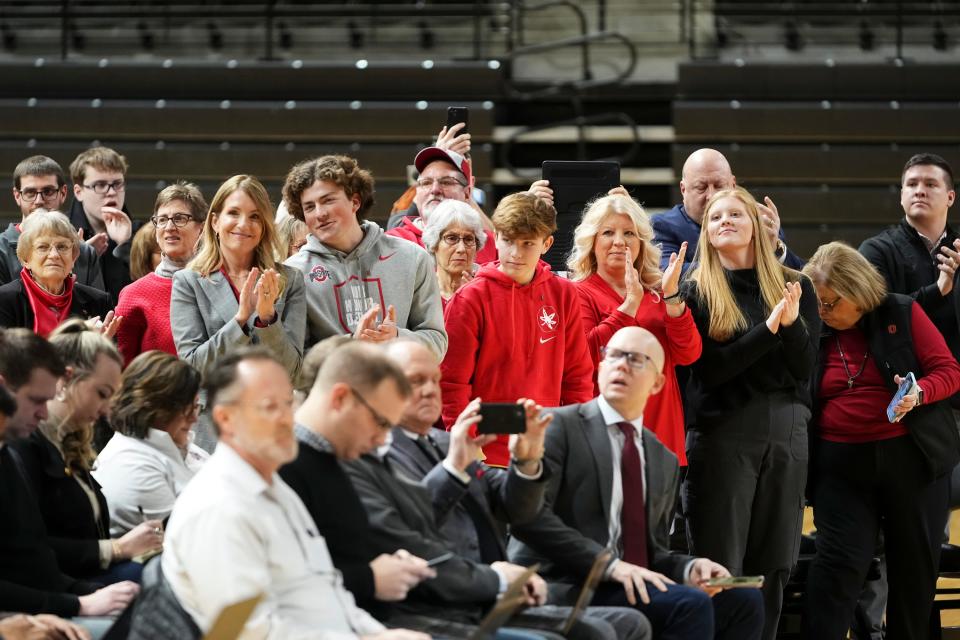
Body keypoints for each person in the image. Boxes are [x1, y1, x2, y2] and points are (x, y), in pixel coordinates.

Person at [508, 326, 764, 640]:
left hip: (630, 583)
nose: (622, 365)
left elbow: (651, 554)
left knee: (744, 600)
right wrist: (609, 566)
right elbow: (529, 520)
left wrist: (689, 568)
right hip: (564, 582)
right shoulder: (557, 426)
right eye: (613, 356)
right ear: (600, 369)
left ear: (658, 383)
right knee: (688, 605)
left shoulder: (663, 458)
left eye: (636, 359)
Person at [161, 347, 427, 639]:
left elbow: (328, 589)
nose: (288, 419)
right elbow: (246, 633)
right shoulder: (220, 506)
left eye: (288, 404)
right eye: (270, 407)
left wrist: (378, 634)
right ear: (226, 419)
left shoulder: (276, 491)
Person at [800, 242, 960, 639]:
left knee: (913, 572)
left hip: (911, 458)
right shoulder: (812, 325)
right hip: (839, 466)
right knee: (838, 565)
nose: (822, 311)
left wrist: (920, 392)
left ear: (857, 291)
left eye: (830, 303)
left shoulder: (901, 311)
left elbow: (949, 370)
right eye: (817, 302)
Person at [680, 187, 819, 640]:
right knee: (723, 564)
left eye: (736, 213)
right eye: (716, 215)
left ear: (756, 224)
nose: (725, 220)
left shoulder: (797, 284)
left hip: (787, 434)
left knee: (774, 560)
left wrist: (792, 323)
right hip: (724, 434)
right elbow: (713, 372)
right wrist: (770, 329)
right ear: (706, 231)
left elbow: (804, 370)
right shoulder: (695, 289)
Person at [0, 329, 139, 631]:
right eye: (36, 400)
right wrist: (79, 601)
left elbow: (34, 559)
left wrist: (82, 596)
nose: (41, 413)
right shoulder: (21, 447)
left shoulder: (11, 453)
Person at [441, 191, 593, 467]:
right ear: (496, 237)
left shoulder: (565, 294)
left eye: (527, 243)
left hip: (547, 447)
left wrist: (574, 438)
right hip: (486, 453)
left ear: (546, 243)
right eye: (508, 241)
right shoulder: (470, 299)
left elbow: (578, 376)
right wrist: (467, 445)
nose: (515, 253)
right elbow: (453, 384)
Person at [11, 321, 163, 584]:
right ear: (66, 380)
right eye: (102, 394)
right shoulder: (23, 444)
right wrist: (116, 549)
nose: (105, 409)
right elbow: (28, 550)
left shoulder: (67, 441)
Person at [171, 175, 305, 452]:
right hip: (212, 431)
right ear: (215, 221)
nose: (244, 224)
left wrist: (267, 320)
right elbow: (194, 368)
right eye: (234, 213)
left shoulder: (290, 280)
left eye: (255, 216)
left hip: (272, 427)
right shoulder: (188, 282)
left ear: (264, 227)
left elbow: (292, 373)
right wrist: (240, 320)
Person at [568, 191, 700, 463]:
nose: (619, 242)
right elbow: (584, 357)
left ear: (640, 242)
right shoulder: (577, 293)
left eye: (629, 233)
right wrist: (629, 305)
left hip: (662, 437)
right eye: (608, 233)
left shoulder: (660, 292)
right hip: (605, 438)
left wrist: (673, 298)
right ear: (592, 241)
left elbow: (689, 354)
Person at [282, 154, 447, 357]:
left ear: (355, 201)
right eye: (309, 207)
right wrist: (350, 346)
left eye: (328, 200)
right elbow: (295, 365)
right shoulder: (293, 273)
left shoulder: (413, 258)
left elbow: (437, 342)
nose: (319, 213)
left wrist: (395, 336)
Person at [93, 351, 208, 536]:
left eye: (196, 406)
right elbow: (193, 538)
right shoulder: (133, 465)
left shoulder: (172, 441)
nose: (195, 418)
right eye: (188, 409)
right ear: (156, 409)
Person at [651, 148, 803, 273]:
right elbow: (669, 275)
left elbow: (800, 273)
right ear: (683, 190)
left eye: (719, 185)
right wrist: (745, 259)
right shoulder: (662, 226)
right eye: (701, 187)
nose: (711, 196)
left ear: (732, 184)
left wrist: (775, 250)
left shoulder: (756, 219)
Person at [114, 182, 206, 366]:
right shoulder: (134, 295)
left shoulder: (220, 282)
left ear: (202, 229)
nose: (169, 227)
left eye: (180, 218)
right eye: (162, 220)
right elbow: (123, 372)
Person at [0, 211, 112, 337]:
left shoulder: (98, 301)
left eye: (62, 247)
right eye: (42, 247)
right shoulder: (4, 300)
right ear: (26, 259)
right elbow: (9, 355)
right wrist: (80, 339)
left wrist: (102, 345)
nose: (54, 255)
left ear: (73, 258)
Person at [386, 140, 497, 264]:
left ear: (467, 193)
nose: (434, 190)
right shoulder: (393, 242)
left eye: (446, 182)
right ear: (417, 192)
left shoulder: (489, 244)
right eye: (426, 183)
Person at [0, 155, 102, 288]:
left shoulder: (84, 252)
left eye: (48, 191)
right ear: (17, 196)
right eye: (30, 192)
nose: (39, 201)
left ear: (63, 193)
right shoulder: (1, 250)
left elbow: (97, 306)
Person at [67, 147, 139, 303]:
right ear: (79, 192)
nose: (112, 192)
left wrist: (126, 245)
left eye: (117, 184)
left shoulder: (141, 233)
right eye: (100, 185)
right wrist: (81, 260)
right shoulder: (61, 234)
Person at [421, 199, 487, 307]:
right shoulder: (420, 292)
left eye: (468, 239)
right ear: (433, 244)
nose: (461, 249)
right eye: (451, 238)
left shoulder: (488, 291)